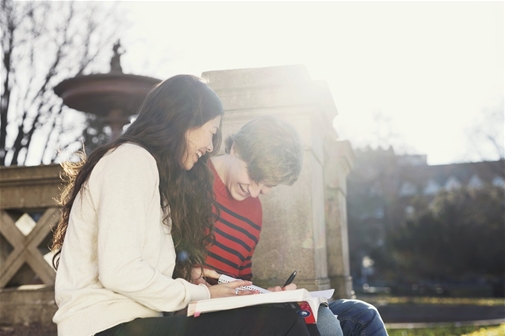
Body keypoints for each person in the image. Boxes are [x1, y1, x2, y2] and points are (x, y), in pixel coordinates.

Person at [50, 75, 318, 336]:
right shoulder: (131, 160)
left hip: (134, 323)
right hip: (106, 327)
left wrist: (187, 275)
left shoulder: (148, 171)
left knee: (288, 321)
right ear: (186, 122)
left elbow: (130, 263)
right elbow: (120, 272)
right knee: (281, 323)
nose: (211, 146)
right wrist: (203, 292)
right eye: (212, 132)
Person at [197, 115, 388, 336]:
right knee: (325, 323)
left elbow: (242, 281)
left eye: (267, 185)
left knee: (363, 315)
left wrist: (266, 295)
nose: (254, 192)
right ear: (236, 149)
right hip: (205, 314)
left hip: (238, 311)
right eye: (253, 176)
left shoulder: (254, 209)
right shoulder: (195, 182)